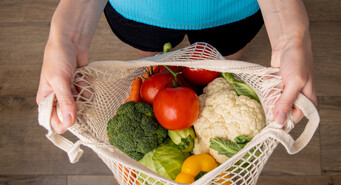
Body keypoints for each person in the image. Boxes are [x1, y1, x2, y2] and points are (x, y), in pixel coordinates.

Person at [36, 0, 316, 134]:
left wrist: (290, 36)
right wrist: (66, 36)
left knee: (225, 63)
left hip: (234, 10)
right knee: (153, 60)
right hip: (139, 10)